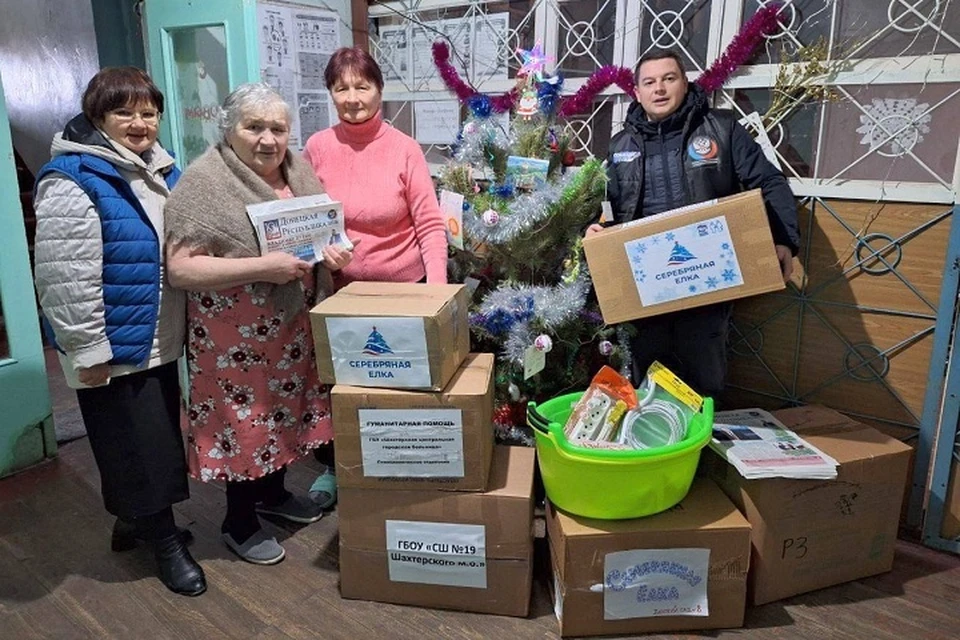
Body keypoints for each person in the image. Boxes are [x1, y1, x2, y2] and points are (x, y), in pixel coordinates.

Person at [32, 67, 205, 596]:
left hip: (156, 335)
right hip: (112, 344)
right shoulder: (73, 178)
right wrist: (87, 347)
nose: (139, 123)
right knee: (139, 446)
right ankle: (165, 542)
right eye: (124, 112)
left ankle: (133, 521)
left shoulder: (158, 169)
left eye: (148, 112)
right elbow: (63, 275)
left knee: (139, 441)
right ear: (97, 117)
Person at [164, 83, 351, 565]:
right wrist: (260, 268)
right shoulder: (204, 182)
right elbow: (181, 269)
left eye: (278, 128)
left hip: (290, 328)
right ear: (229, 130)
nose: (268, 139)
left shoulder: (297, 168)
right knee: (244, 424)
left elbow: (323, 232)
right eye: (254, 127)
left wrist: (335, 251)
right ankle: (238, 520)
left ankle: (274, 493)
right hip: (234, 339)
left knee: (284, 413)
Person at [588, 50, 800, 398]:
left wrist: (783, 239)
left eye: (669, 79)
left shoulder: (723, 129)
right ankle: (654, 450)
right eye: (649, 82)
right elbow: (605, 204)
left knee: (705, 384)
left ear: (685, 83)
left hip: (707, 287)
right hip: (645, 291)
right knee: (646, 388)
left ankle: (702, 450)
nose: (659, 89)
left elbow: (770, 183)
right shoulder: (619, 145)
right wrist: (596, 227)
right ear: (637, 93)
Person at [302, 46, 448, 506]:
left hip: (403, 294)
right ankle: (338, 470)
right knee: (344, 390)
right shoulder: (317, 148)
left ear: (379, 90)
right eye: (340, 87)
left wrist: (437, 295)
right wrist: (321, 256)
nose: (351, 97)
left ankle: (399, 471)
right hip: (340, 294)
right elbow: (305, 221)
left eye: (361, 86)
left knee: (398, 388)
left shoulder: (404, 149)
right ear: (330, 93)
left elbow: (429, 224)